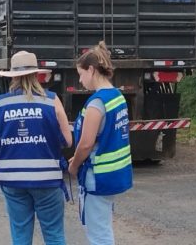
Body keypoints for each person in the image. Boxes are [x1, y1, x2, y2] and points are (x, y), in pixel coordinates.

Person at [0, 51, 72, 245]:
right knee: (54, 235)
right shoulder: (51, 100)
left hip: (12, 180)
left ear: (13, 76)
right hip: (47, 180)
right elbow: (68, 140)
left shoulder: (1, 102)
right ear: (36, 75)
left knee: (21, 235)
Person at [68, 41, 133, 245]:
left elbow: (86, 144)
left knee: (99, 234)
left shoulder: (97, 104)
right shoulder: (117, 97)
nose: (80, 80)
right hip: (114, 174)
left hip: (97, 176)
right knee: (103, 227)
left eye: (81, 74)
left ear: (92, 70)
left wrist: (74, 165)